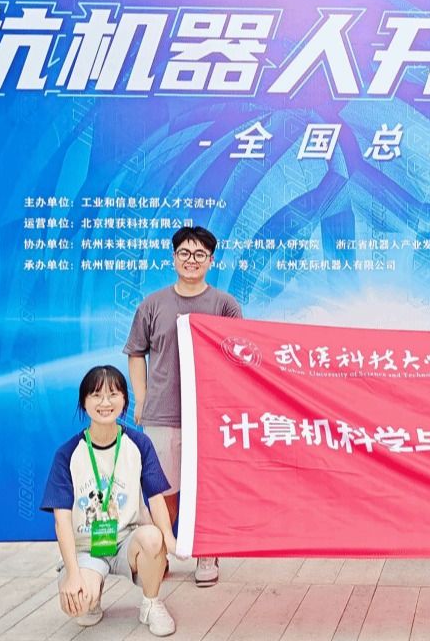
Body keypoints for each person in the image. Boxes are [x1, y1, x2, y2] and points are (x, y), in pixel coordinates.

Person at [124, 225, 242, 587]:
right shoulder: (153, 304)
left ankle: (207, 553)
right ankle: (157, 554)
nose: (192, 260)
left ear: (211, 260)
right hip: (162, 414)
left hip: (208, 415)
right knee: (164, 491)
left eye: (200, 254)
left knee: (205, 489)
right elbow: (136, 353)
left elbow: (238, 354)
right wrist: (141, 397)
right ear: (174, 258)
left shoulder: (224, 305)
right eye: (185, 253)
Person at [41, 365, 180, 636]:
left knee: (153, 538)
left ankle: (151, 604)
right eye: (96, 395)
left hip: (127, 539)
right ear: (84, 402)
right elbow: (61, 521)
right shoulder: (68, 454)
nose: (105, 402)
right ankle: (92, 590)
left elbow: (156, 496)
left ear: (125, 400)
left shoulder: (139, 444)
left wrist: (168, 537)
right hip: (86, 547)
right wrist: (73, 575)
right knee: (79, 607)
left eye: (113, 394)